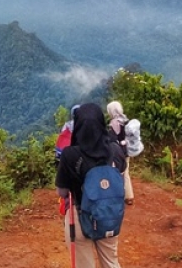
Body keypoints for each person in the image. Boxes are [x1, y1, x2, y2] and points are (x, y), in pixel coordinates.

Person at [56, 103, 127, 268]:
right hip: (109, 215)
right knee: (111, 262)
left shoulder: (70, 155)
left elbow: (62, 191)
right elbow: (120, 178)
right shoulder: (115, 150)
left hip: (80, 217)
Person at [106, 101, 134, 205]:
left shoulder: (114, 122)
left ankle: (117, 195)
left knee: (116, 172)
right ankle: (129, 196)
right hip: (128, 149)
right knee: (126, 172)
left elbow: (112, 139)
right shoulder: (126, 119)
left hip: (118, 151)